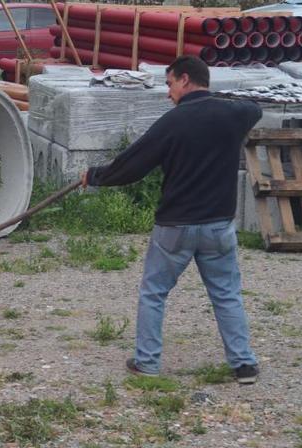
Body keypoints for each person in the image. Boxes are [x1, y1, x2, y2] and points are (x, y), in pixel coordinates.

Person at [80, 55, 261, 384]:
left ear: (186, 80)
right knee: (227, 294)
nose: (168, 93)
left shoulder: (171, 123)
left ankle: (147, 363)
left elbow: (132, 165)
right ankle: (244, 364)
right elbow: (255, 109)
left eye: (170, 84)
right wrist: (224, 107)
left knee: (153, 293)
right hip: (218, 225)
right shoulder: (234, 115)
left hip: (175, 227)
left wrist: (95, 176)